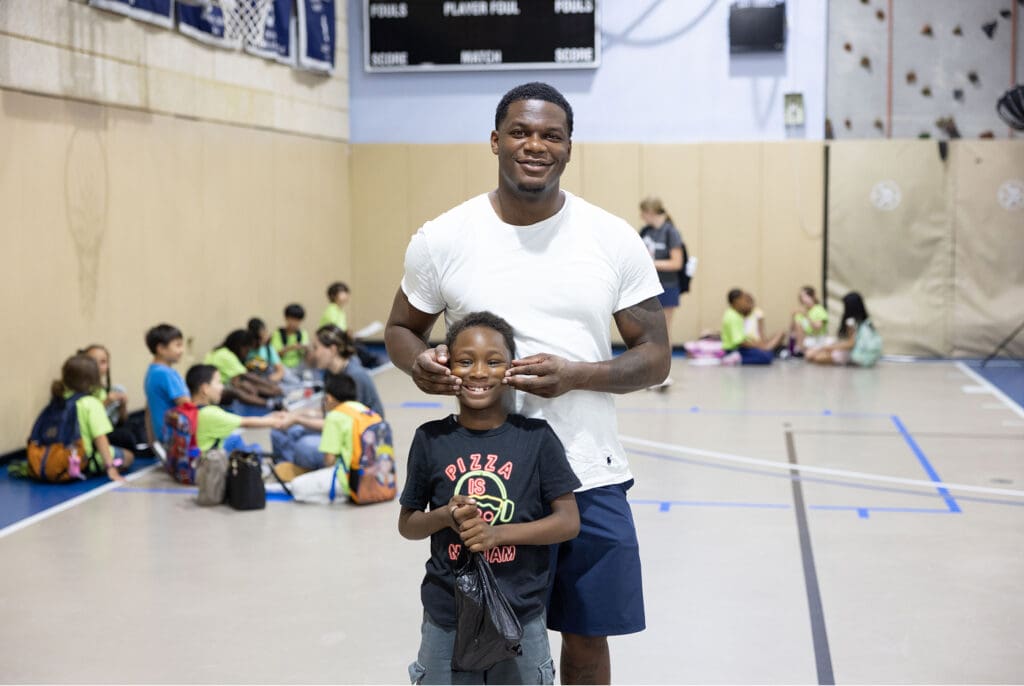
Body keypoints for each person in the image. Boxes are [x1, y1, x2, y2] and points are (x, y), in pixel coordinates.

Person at [385, 82, 670, 684]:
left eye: (550, 135)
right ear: (495, 140)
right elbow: (400, 329)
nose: (534, 145)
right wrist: (421, 363)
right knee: (480, 637)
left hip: (589, 473)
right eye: (519, 132)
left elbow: (656, 357)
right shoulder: (443, 237)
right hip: (481, 478)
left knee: (588, 639)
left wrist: (576, 376)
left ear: (569, 148)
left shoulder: (612, 237)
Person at [399, 311, 581, 685]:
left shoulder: (536, 438)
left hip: (520, 614)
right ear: (448, 366)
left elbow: (568, 521)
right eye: (465, 361)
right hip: (446, 614)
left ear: (510, 369)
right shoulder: (430, 439)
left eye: (492, 361)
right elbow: (409, 524)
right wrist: (445, 515)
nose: (479, 372)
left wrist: (498, 535)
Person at [270, 325, 385, 470]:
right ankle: (289, 471)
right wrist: (294, 414)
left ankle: (304, 471)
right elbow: (329, 412)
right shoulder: (331, 373)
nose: (313, 353)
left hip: (359, 441)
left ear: (332, 349)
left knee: (304, 446)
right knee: (280, 432)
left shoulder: (355, 376)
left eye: (316, 348)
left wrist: (297, 419)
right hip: (340, 429)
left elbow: (342, 425)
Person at [53, 354, 133, 481]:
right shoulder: (91, 402)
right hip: (82, 459)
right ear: (93, 379)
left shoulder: (59, 399)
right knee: (128, 457)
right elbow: (100, 438)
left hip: (56, 456)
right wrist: (110, 468)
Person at [185, 364, 287, 453]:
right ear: (205, 389)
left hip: (195, 460)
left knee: (235, 439)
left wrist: (271, 416)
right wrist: (278, 420)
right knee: (255, 449)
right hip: (206, 466)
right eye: (218, 382)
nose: (222, 387)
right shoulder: (209, 413)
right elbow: (247, 422)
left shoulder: (189, 408)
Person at [80, 343, 142, 452]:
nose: (98, 366)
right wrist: (106, 402)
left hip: (110, 428)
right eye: (93, 361)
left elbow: (121, 421)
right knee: (126, 438)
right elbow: (88, 421)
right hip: (94, 434)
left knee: (134, 428)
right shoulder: (81, 389)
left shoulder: (106, 388)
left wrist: (122, 406)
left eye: (103, 362)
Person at [204, 330, 283, 409]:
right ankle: (270, 404)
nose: (247, 353)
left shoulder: (221, 352)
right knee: (240, 388)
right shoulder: (226, 355)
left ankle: (271, 398)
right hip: (211, 391)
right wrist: (271, 386)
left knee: (245, 384)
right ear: (240, 346)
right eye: (247, 350)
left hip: (216, 386)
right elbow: (246, 376)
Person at [143, 323, 190, 448]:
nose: (182, 350)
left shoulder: (152, 371)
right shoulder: (165, 374)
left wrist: (152, 441)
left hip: (164, 438)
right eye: (178, 345)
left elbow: (148, 409)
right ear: (161, 349)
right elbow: (186, 406)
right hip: (176, 437)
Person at [807, 291, 876, 366]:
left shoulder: (851, 322)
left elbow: (851, 343)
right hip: (859, 351)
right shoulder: (865, 322)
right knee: (813, 353)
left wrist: (831, 347)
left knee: (817, 357)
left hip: (855, 352)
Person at [721, 289, 785, 365]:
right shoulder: (733, 317)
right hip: (734, 349)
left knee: (766, 352)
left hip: (744, 346)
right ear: (737, 301)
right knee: (766, 356)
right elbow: (740, 342)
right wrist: (759, 346)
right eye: (744, 299)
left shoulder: (735, 314)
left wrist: (759, 345)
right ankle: (735, 358)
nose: (745, 302)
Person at [271, 303, 311, 375]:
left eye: (297, 320)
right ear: (286, 318)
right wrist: (290, 348)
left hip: (299, 366)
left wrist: (306, 349)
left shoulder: (303, 333)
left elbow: (306, 354)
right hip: (282, 367)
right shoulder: (278, 333)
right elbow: (274, 355)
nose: (294, 323)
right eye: (292, 319)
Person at [789, 286, 829, 355]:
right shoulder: (802, 311)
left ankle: (800, 350)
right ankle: (797, 350)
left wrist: (807, 316)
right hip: (805, 339)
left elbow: (818, 327)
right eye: (801, 297)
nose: (803, 299)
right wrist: (793, 317)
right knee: (797, 325)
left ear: (812, 296)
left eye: (805, 296)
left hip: (817, 339)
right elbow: (792, 330)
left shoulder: (819, 310)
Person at [246, 317, 286, 383]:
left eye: (265, 333)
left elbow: (280, 370)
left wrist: (269, 380)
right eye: (260, 338)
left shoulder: (268, 348)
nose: (265, 338)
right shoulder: (247, 350)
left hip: (267, 381)